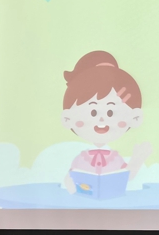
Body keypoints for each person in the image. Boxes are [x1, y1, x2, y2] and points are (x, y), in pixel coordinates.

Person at [61, 51, 152, 194]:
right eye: (93, 112)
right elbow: (69, 181)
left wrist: (138, 159)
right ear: (68, 118)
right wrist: (75, 189)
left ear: (134, 117)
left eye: (111, 112)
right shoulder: (81, 159)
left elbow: (127, 176)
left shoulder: (114, 158)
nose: (102, 119)